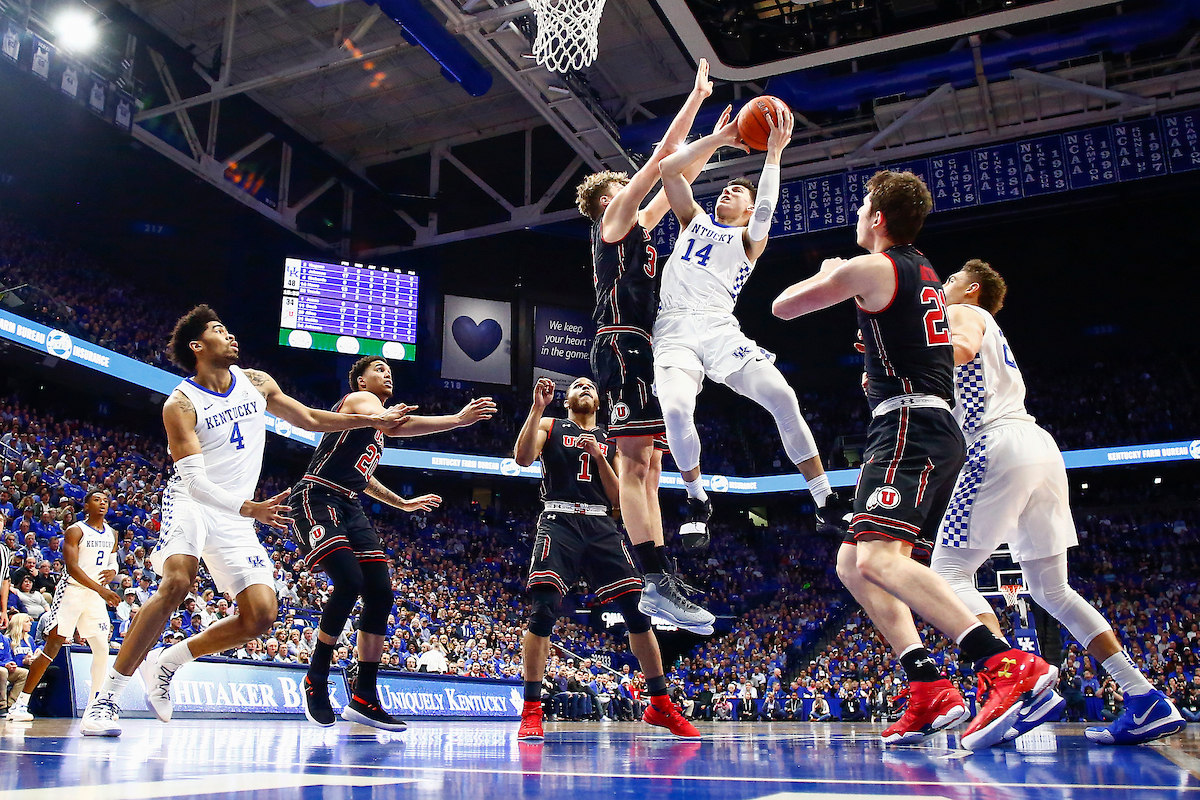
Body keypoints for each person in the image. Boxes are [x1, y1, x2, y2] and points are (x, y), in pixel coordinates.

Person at [771, 170, 1055, 751]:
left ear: (877, 217)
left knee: (876, 558)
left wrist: (830, 273)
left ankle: (1003, 663)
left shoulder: (876, 267)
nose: (855, 215)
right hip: (918, 427)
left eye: (862, 206)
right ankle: (929, 686)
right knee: (854, 565)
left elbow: (782, 307)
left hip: (909, 425)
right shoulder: (924, 271)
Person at [80, 305, 408, 737]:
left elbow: (309, 418)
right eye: (220, 330)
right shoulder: (180, 404)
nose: (231, 336)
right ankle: (107, 698)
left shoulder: (256, 382)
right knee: (177, 582)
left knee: (260, 617)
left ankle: (169, 662)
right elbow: (193, 481)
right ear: (197, 346)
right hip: (193, 503)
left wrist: (372, 419)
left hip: (236, 514)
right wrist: (249, 508)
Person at [928, 259, 1185, 745]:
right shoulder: (989, 329)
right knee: (1051, 591)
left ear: (972, 289)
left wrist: (909, 354)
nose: (944, 285)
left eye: (952, 279)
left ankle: (1017, 687)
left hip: (995, 443)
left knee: (947, 573)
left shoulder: (964, 313)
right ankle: (1144, 697)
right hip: (1037, 447)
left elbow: (955, 351)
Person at [654, 101, 851, 547]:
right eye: (723, 188)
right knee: (677, 410)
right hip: (674, 329)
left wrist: (774, 155)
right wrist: (721, 139)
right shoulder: (693, 221)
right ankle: (696, 498)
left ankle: (824, 498)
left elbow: (765, 209)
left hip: (720, 328)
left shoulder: (748, 239)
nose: (726, 192)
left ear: (746, 211)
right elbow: (669, 170)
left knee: (782, 395)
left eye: (735, 192)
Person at [576, 60, 721, 633]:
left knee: (652, 467)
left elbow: (673, 177)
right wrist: (697, 103)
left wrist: (715, 143)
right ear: (609, 200)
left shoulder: (637, 232)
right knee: (633, 464)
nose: (631, 192)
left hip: (644, 348)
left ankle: (662, 577)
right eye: (623, 187)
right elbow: (660, 162)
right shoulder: (611, 222)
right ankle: (654, 581)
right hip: (618, 347)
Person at [294, 355, 493, 731]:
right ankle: (316, 675)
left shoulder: (376, 427)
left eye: (390, 370)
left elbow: (364, 478)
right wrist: (457, 419)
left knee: (381, 593)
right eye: (379, 370)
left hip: (348, 504)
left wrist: (401, 503)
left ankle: (364, 695)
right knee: (350, 582)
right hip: (317, 497)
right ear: (361, 382)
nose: (387, 373)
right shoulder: (361, 403)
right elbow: (400, 425)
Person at [512, 376, 698, 741]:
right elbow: (522, 458)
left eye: (590, 387)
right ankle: (531, 710)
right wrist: (537, 408)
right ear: (566, 400)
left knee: (637, 612)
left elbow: (618, 499)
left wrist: (599, 458)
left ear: (599, 402)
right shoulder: (550, 424)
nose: (584, 388)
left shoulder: (611, 438)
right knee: (543, 608)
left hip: (601, 523)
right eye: (577, 386)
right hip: (559, 518)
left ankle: (660, 704)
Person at [7, 490, 121, 721]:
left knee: (102, 648)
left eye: (105, 501)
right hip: (71, 592)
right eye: (96, 500)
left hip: (95, 596)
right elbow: (72, 568)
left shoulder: (112, 533)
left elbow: (113, 561)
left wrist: (114, 571)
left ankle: (94, 707)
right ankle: (20, 703)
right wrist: (101, 589)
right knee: (53, 646)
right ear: (86, 506)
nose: (102, 503)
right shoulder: (75, 530)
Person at [0, 613, 34, 712]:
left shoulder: (3, 638)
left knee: (24, 673)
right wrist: (22, 662)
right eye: (27, 621)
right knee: (3, 671)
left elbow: (8, 657)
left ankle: (12, 705)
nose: (30, 624)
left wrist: (10, 663)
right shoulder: (9, 639)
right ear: (19, 623)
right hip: (3, 669)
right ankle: (2, 707)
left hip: (9, 669)